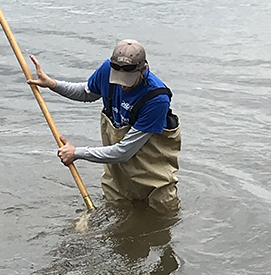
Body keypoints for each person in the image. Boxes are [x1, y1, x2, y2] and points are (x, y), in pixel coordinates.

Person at [27, 39, 181, 214]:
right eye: (119, 79)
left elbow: (123, 152)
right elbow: (86, 92)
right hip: (117, 176)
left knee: (163, 218)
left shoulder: (156, 99)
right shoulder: (107, 70)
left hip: (153, 178)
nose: (122, 84)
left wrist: (76, 153)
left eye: (128, 80)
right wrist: (52, 84)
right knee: (119, 219)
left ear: (143, 69)